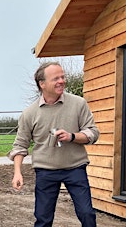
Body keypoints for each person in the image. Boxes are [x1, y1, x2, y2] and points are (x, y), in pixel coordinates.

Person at [8, 62, 100, 227]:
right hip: (46, 171)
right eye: (56, 78)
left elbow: (93, 133)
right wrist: (17, 173)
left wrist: (72, 136)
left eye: (63, 77)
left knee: (87, 214)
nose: (62, 81)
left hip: (75, 168)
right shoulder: (29, 113)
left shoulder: (78, 104)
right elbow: (20, 145)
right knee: (43, 219)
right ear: (42, 84)